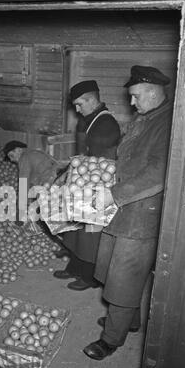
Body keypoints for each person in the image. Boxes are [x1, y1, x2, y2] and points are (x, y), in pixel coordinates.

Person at [83, 65, 174, 360]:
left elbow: (159, 173)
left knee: (125, 276)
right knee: (116, 271)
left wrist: (114, 193)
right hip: (121, 208)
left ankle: (111, 339)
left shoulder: (168, 124)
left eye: (135, 96)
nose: (131, 103)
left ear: (152, 91)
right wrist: (98, 169)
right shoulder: (144, 118)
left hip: (140, 214)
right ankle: (128, 321)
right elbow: (126, 154)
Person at [54, 80, 121, 290]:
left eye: (79, 104)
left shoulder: (105, 124)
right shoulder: (90, 120)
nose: (76, 109)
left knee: (90, 236)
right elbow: (85, 156)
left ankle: (89, 277)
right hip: (87, 181)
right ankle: (74, 267)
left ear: (91, 100)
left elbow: (100, 161)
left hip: (98, 185)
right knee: (76, 230)